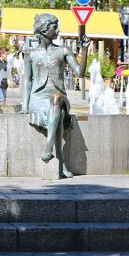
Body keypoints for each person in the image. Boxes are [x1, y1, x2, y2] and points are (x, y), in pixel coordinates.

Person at [22, 13, 81, 177]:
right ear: (44, 30)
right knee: (57, 112)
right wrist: (25, 106)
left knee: (56, 100)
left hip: (59, 96)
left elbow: (80, 73)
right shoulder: (30, 54)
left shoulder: (63, 51)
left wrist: (84, 50)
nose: (57, 30)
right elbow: (27, 81)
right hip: (38, 97)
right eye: (54, 27)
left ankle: (48, 149)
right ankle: (60, 163)